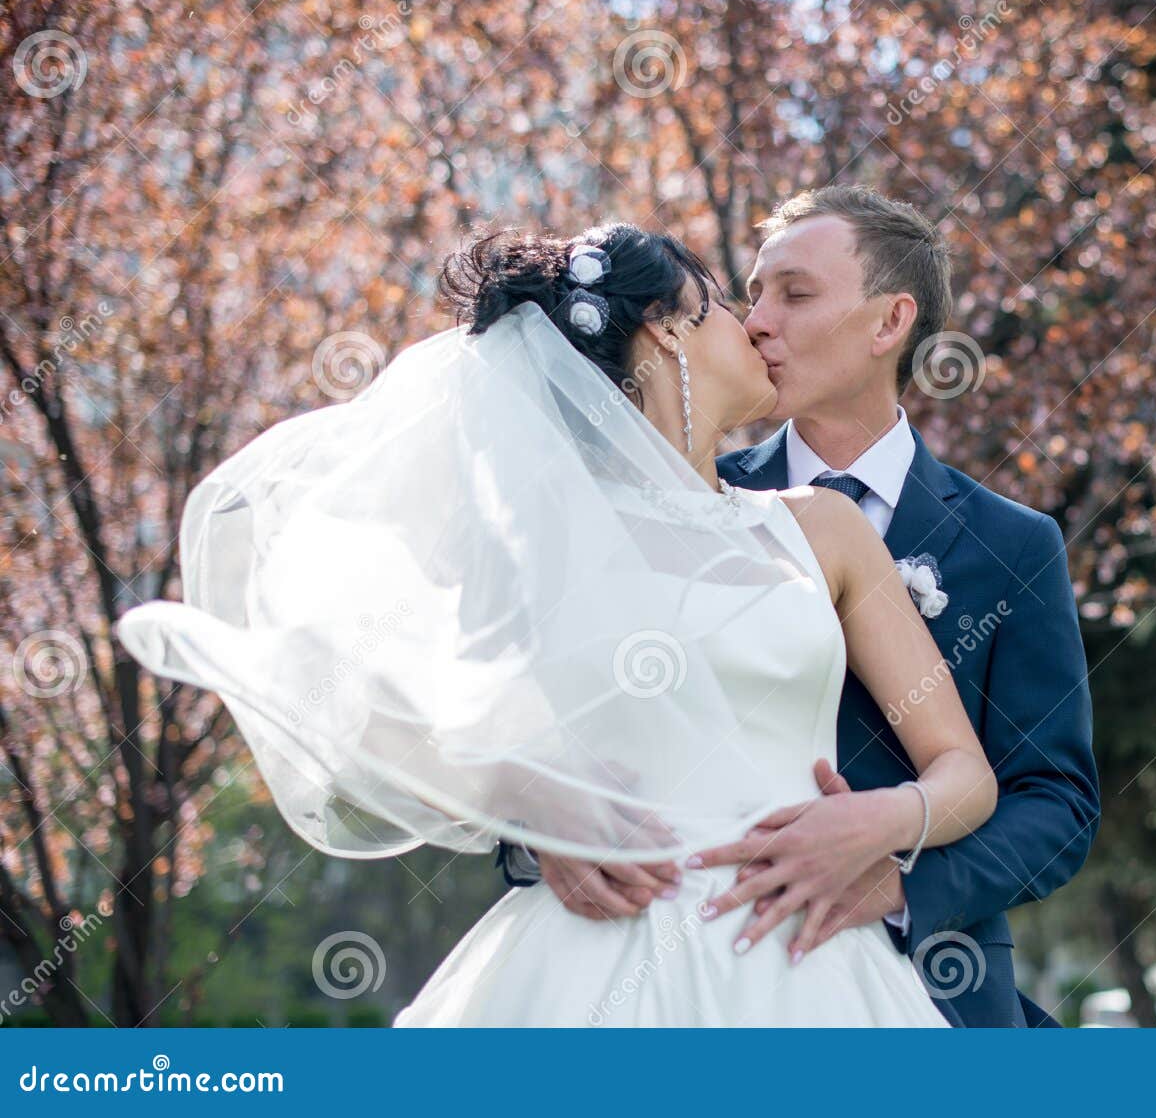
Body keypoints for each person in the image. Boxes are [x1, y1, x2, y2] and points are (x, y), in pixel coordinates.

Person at [115, 222, 996, 1026]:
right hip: (593, 963)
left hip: (812, 968)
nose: (756, 327)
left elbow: (964, 771)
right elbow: (373, 702)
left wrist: (880, 822)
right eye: (724, 305)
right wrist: (532, 802)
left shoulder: (824, 529)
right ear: (667, 333)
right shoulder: (539, 543)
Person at [500, 187, 1100, 1027]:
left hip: (927, 989)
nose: (757, 321)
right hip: (660, 967)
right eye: (750, 295)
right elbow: (531, 714)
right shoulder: (679, 504)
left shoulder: (1013, 546)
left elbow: (1056, 800)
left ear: (890, 322)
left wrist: (895, 881)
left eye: (795, 293)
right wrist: (543, 824)